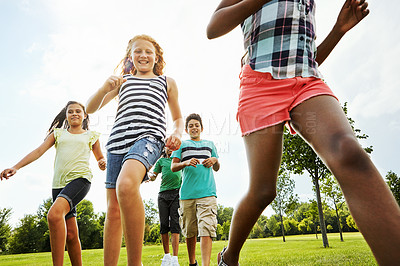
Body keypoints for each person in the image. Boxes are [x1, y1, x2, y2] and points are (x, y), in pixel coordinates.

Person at [207, 0, 400, 265]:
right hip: (260, 85)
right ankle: (229, 257)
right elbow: (213, 27)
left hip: (307, 81)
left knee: (348, 150)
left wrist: (338, 30)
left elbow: (307, 59)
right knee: (264, 190)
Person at [86, 34, 184, 265]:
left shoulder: (166, 82)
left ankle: (135, 263)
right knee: (113, 210)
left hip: (148, 138)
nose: (143, 55)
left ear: (156, 56)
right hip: (117, 143)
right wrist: (103, 88)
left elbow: (178, 117)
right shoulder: (123, 81)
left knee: (127, 184)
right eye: (137, 51)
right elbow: (90, 108)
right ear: (130, 57)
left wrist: (177, 134)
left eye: (148, 51)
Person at [1, 101, 106, 266]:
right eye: (70, 111)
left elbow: (100, 157)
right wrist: (16, 167)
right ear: (66, 116)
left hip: (80, 180)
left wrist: (101, 162)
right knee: (71, 234)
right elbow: (38, 151)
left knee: (54, 214)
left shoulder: (91, 136)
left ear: (85, 115)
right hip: (58, 186)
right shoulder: (57, 134)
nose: (74, 114)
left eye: (78, 111)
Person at [171, 113, 220, 266]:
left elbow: (217, 168)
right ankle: (193, 263)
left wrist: (214, 160)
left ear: (201, 128)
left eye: (196, 125)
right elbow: (173, 166)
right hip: (187, 195)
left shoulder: (210, 144)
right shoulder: (182, 145)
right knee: (190, 231)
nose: (194, 128)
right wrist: (185, 163)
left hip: (207, 193)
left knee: (206, 228)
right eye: (191, 126)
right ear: (186, 129)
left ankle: (205, 264)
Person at [148, 147, 182, 266]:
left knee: (175, 224)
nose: (170, 149)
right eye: (168, 147)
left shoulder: (178, 160)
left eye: (173, 147)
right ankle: (167, 256)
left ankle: (175, 259)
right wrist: (150, 176)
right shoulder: (161, 161)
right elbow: (153, 176)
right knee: (163, 224)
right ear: (164, 148)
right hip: (162, 195)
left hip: (176, 194)